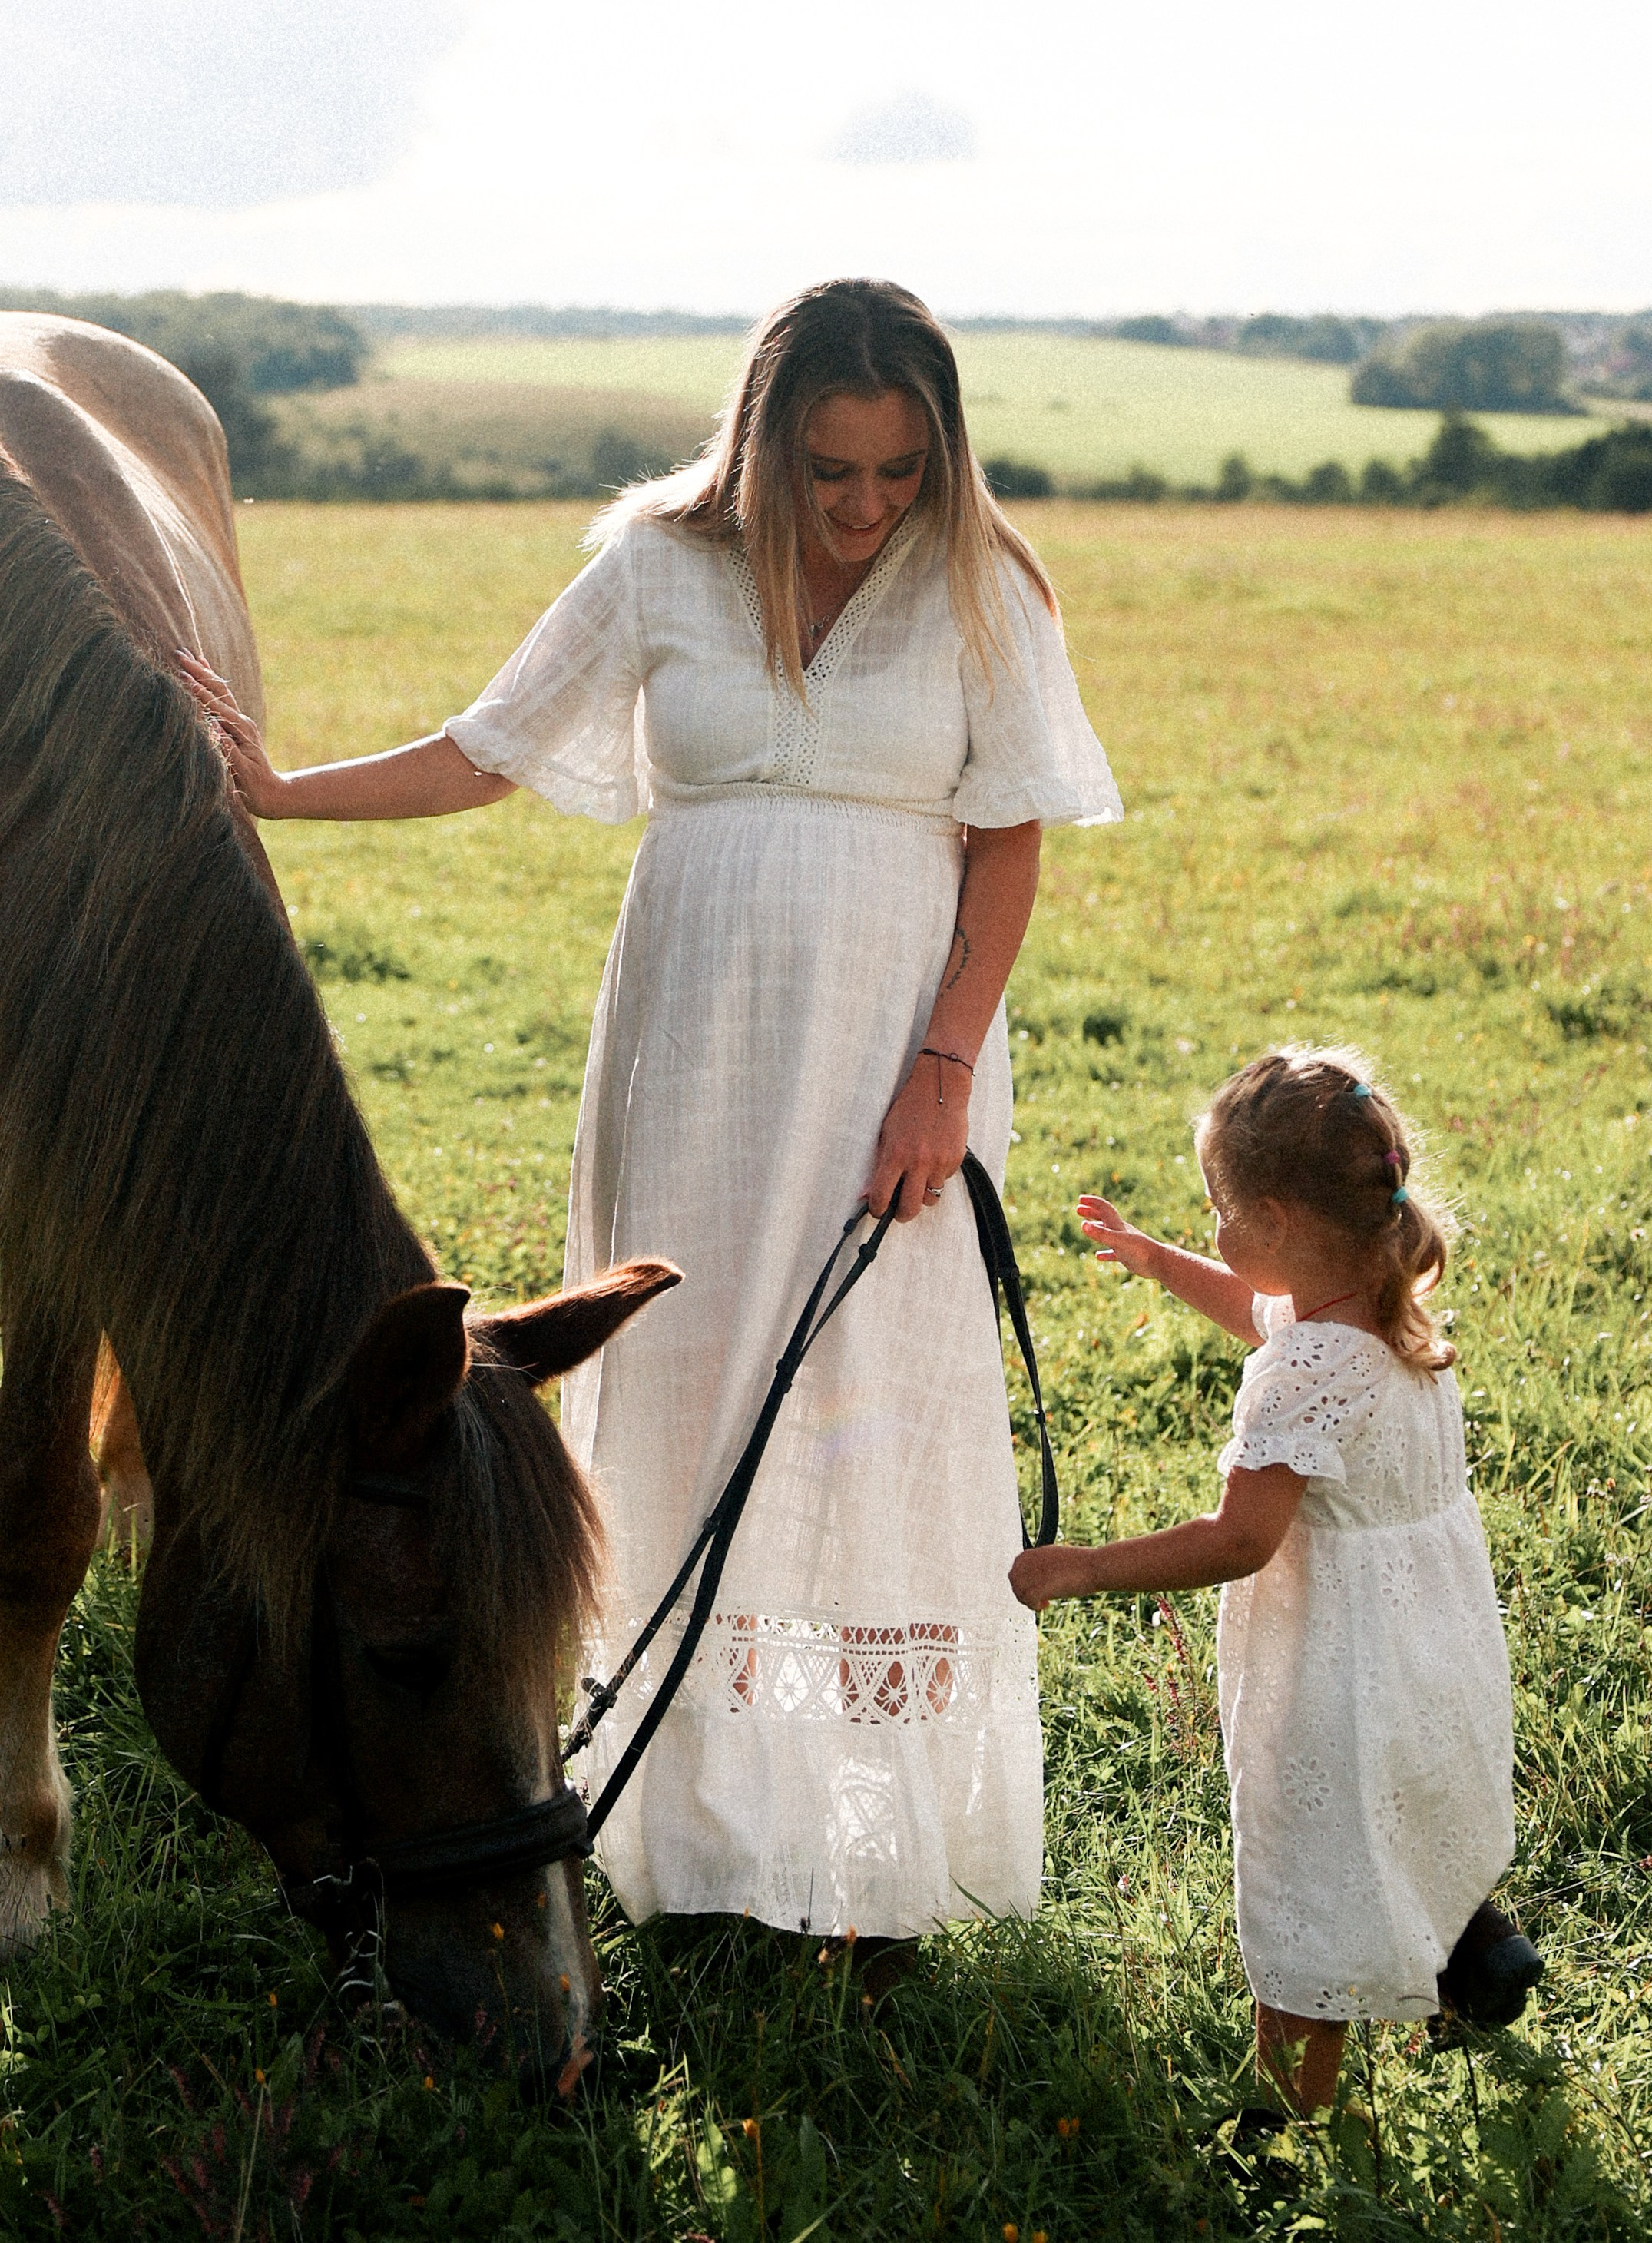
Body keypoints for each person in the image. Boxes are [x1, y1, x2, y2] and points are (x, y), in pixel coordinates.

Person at [182, 277, 1121, 1955]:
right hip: (693, 1041)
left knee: (871, 1407)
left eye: (897, 469)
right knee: (681, 1398)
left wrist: (943, 1069)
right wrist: (282, 789)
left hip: (892, 1055)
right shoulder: (656, 564)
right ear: (760, 440)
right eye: (827, 468)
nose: (860, 506)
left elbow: (1010, 830)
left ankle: (874, 1870)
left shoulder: (981, 582)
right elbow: (492, 744)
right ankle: (689, 1846)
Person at [1011, 1048, 1526, 2115]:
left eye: (1219, 1211)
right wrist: (1159, 1263)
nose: (1212, 1230)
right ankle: (1472, 1949)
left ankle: (1291, 2127)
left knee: (1312, 1886)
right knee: (1416, 1811)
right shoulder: (1385, 1311)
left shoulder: (1303, 1374)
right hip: (1438, 1657)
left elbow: (1241, 1539)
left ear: (1284, 1223)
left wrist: (1086, 1567)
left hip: (1339, 1675)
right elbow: (1263, 1310)